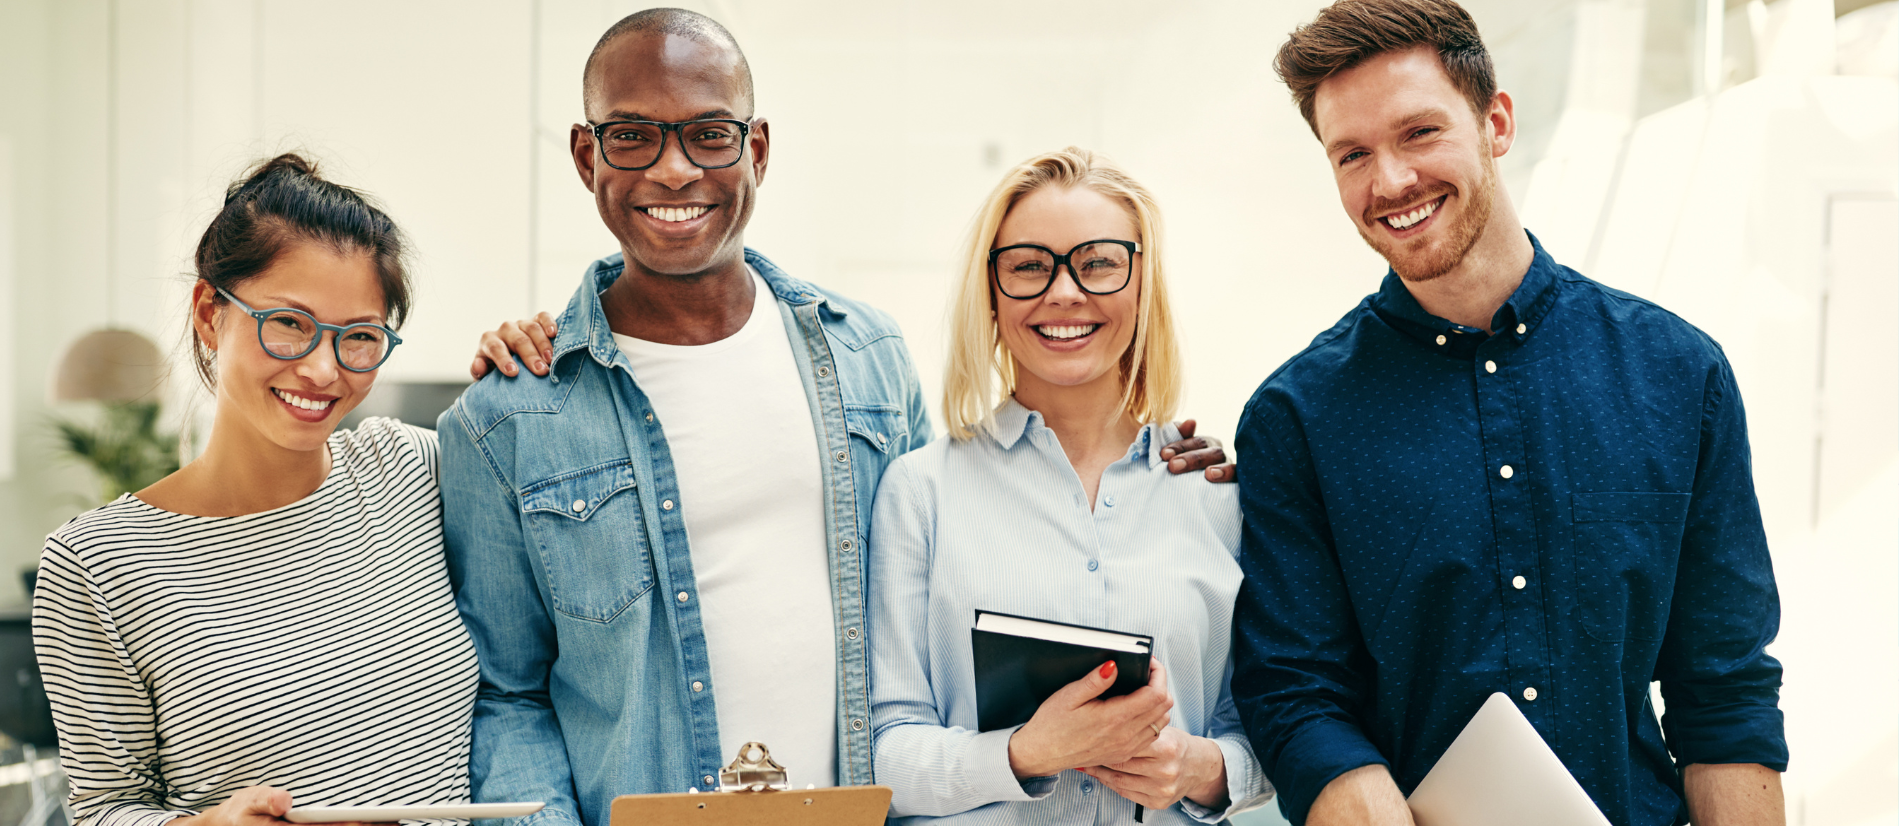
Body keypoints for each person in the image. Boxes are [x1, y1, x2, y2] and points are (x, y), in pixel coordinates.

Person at [446, 11, 1230, 826]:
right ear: (586, 155)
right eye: (634, 136)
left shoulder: (867, 360)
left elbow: (929, 618)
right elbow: (507, 696)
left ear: (756, 150)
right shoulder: (505, 418)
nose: (673, 170)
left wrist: (1168, 466)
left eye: (710, 135)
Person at [1227, 2, 1787, 825]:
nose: (1388, 182)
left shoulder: (1677, 375)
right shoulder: (1295, 417)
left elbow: (1724, 685)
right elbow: (1295, 691)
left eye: (1418, 132)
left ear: (1496, 122)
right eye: (1352, 154)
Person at [31, 154, 539, 826]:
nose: (323, 369)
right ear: (211, 314)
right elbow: (106, 810)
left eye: (359, 337)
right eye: (291, 324)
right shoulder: (97, 564)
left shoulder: (417, 470)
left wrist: (533, 366)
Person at [868, 147, 1273, 825]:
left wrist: (1197, 767)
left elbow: (1269, 725)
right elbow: (882, 751)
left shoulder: (1219, 493)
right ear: (990, 293)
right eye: (1028, 265)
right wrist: (1024, 752)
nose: (1063, 292)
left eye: (1098, 263)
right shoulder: (920, 493)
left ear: (1141, 285)